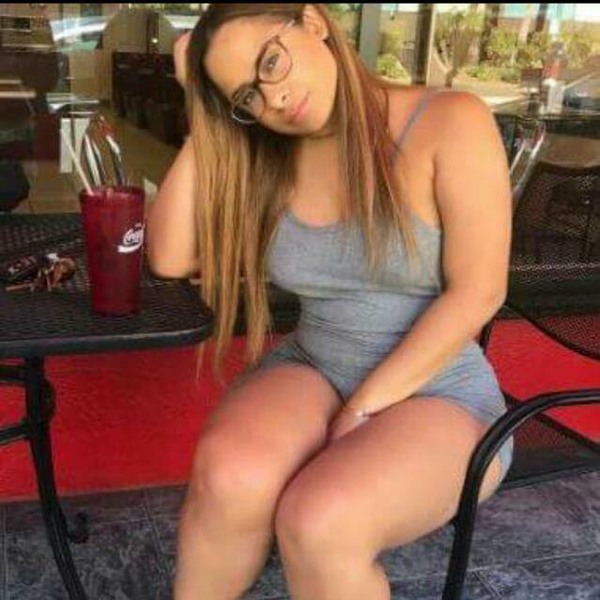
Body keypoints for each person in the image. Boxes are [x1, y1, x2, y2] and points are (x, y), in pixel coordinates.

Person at [147, 4, 514, 599]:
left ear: (313, 22)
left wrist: (363, 407)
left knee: (320, 523)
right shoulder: (270, 153)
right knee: (230, 476)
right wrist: (200, 105)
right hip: (315, 364)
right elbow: (168, 256)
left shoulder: (450, 119)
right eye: (247, 96)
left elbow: (480, 292)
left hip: (441, 388)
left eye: (271, 61)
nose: (273, 97)